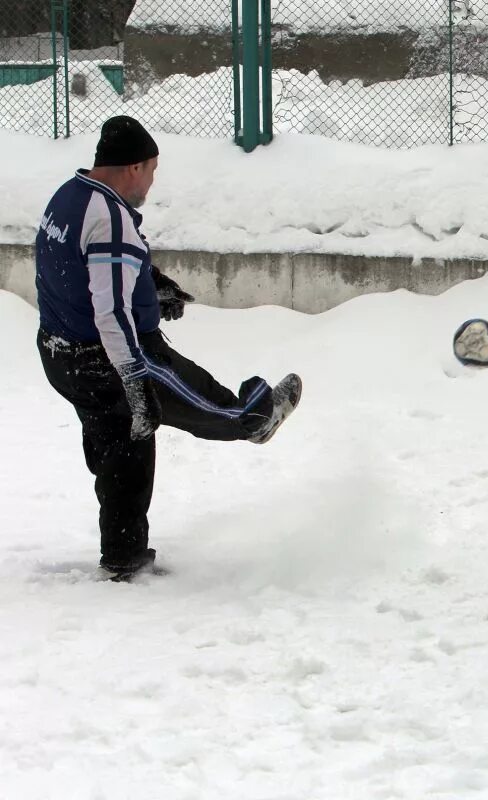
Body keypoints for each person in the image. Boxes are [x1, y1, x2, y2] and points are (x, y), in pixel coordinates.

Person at [35, 115, 302, 580]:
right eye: (152, 171)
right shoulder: (110, 217)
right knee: (202, 405)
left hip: (62, 354)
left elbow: (75, 271)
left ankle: (123, 557)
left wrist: (149, 284)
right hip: (112, 358)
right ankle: (255, 419)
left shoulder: (69, 197)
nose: (152, 183)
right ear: (133, 167)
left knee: (124, 447)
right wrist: (135, 380)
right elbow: (111, 312)